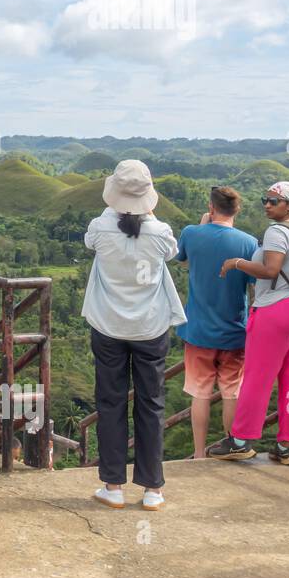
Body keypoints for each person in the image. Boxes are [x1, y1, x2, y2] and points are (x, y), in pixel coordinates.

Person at [82, 160, 184, 511]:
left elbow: (91, 242)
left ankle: (113, 486)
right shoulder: (161, 232)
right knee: (150, 404)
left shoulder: (100, 226)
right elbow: (170, 252)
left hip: (108, 326)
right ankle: (152, 488)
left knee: (110, 403)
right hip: (150, 327)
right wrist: (148, 217)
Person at [209, 181, 289, 465]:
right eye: (265, 199)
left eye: (274, 201)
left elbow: (270, 270)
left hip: (277, 311)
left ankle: (241, 440)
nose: (267, 205)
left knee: (258, 378)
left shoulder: (277, 232)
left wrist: (236, 262)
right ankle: (287, 445)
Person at [174, 187, 257, 459]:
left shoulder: (191, 233)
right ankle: (231, 446)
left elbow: (185, 262)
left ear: (211, 208)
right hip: (234, 330)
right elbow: (254, 284)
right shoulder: (249, 242)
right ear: (237, 210)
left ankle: (199, 454)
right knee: (231, 392)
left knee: (200, 393)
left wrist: (200, 226)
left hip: (198, 329)